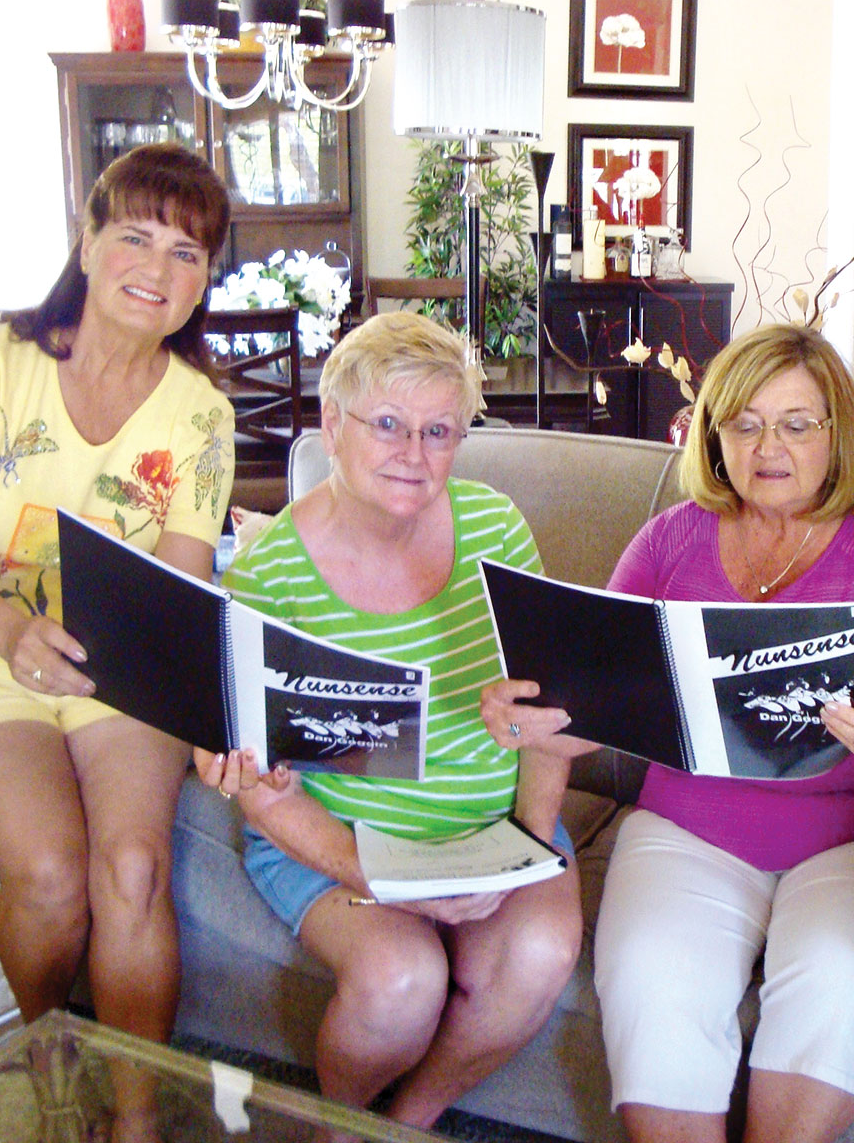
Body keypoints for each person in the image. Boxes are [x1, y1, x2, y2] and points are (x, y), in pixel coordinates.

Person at [481, 324, 854, 1143]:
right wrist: (536, 716)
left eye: (796, 423)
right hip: (687, 829)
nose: (767, 445)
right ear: (713, 435)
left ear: (835, 432)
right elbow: (589, 704)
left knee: (840, 982)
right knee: (655, 984)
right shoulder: (670, 540)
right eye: (742, 423)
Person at [196, 312, 581, 1129]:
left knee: (539, 951)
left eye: (438, 430)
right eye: (387, 424)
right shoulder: (273, 575)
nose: (413, 452)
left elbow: (551, 714)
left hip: (491, 824)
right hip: (345, 837)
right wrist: (373, 877)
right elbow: (259, 786)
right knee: (400, 982)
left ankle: (405, 1121)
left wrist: (526, 839)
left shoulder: (495, 526)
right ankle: (345, 1124)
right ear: (332, 426)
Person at [0, 143, 234, 1057]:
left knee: (131, 868)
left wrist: (213, 713)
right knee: (50, 878)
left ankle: (133, 1116)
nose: (157, 271)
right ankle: (46, 1059)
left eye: (187, 253)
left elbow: (182, 587)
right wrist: (12, 631)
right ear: (85, 243)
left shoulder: (201, 411)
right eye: (135, 237)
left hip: (118, 667)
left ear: (204, 281)